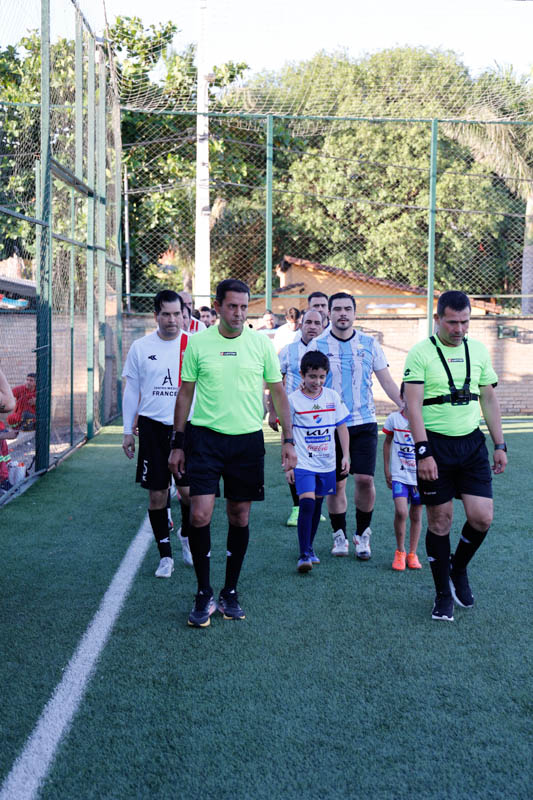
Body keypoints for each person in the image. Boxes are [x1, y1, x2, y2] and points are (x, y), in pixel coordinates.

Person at [168, 278, 297, 628]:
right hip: (205, 439)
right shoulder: (197, 343)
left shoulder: (261, 345)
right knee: (199, 514)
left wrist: (288, 438)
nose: (239, 313)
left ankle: (230, 590)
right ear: (218, 305)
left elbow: (279, 393)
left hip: (247, 441)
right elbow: (184, 394)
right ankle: (203, 591)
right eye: (232, 306)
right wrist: (178, 443)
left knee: (240, 516)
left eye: (244, 306)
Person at [403, 290, 507, 621]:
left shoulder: (477, 350)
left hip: (471, 445)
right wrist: (424, 453)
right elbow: (413, 408)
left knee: (482, 516)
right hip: (435, 446)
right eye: (452, 322)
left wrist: (499, 444)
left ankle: (457, 567)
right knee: (441, 520)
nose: (459, 328)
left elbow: (488, 399)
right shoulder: (420, 353)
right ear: (438, 319)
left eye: (464, 322)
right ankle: (442, 594)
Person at [308, 292, 402, 558]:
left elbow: (386, 380)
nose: (342, 314)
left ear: (355, 313)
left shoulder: (369, 343)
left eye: (347, 309)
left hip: (364, 423)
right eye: (336, 309)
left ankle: (363, 535)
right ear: (329, 313)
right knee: (336, 484)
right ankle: (339, 536)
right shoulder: (318, 344)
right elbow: (308, 383)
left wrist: (405, 405)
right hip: (329, 425)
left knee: (363, 479)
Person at [122, 289, 193, 578]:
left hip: (187, 429)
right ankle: (165, 557)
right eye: (166, 314)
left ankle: (186, 535)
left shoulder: (194, 345)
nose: (173, 319)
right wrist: (128, 430)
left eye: (177, 313)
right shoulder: (140, 347)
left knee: (189, 495)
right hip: (151, 428)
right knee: (157, 496)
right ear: (156, 315)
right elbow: (132, 390)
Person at [286, 351, 350, 572]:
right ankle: (303, 554)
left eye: (322, 377)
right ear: (303, 374)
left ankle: (310, 547)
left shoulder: (332, 396)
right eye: (312, 376)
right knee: (307, 502)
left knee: (318, 504)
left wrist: (347, 455)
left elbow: (342, 426)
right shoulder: (293, 400)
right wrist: (288, 465)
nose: (317, 381)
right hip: (303, 462)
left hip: (327, 462)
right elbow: (288, 434)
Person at [270, 308, 326, 526]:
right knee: (292, 460)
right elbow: (275, 381)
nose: (312, 326)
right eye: (308, 322)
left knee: (318, 459)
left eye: (317, 323)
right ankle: (296, 507)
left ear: (323, 326)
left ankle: (314, 505)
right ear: (301, 324)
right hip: (292, 414)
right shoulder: (288, 351)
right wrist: (273, 411)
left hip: (319, 415)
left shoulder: (327, 351)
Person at [382, 383, 422, 571]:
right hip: (399, 474)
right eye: (408, 394)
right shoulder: (394, 419)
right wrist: (387, 470)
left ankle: (412, 554)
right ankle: (400, 551)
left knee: (416, 514)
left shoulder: (426, 420)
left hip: (420, 477)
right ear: (402, 396)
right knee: (401, 512)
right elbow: (387, 443)